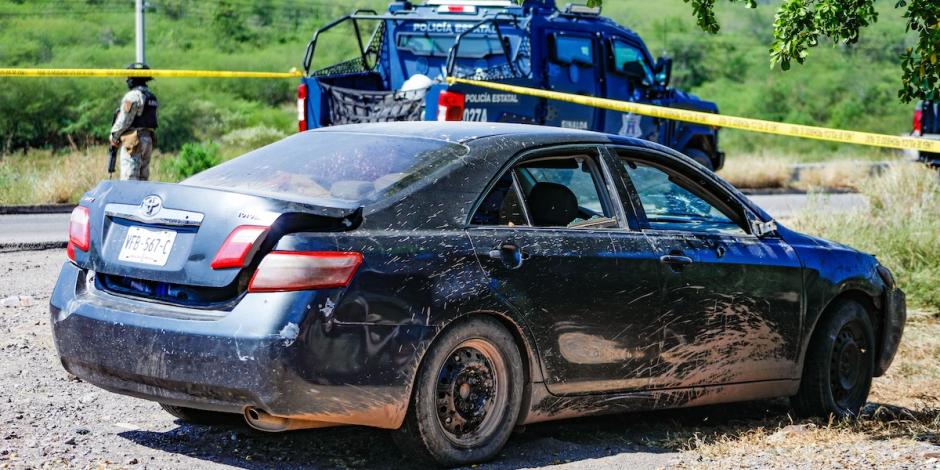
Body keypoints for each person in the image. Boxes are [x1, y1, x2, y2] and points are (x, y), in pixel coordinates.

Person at [110, 63, 158, 181]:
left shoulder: (133, 96)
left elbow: (124, 120)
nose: (127, 80)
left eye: (129, 77)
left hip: (133, 141)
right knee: (143, 179)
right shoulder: (151, 96)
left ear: (135, 78)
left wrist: (114, 136)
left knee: (129, 178)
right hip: (148, 140)